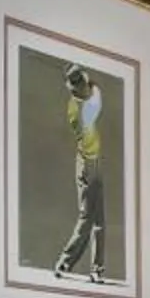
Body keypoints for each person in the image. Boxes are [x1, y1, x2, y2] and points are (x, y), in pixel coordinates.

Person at [49, 65, 109, 284]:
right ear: (79, 87)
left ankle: (97, 270)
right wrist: (91, 83)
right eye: (83, 83)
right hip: (87, 165)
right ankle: (64, 263)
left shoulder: (80, 102)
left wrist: (87, 82)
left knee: (99, 221)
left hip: (94, 162)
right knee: (87, 217)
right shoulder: (82, 109)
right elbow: (98, 95)